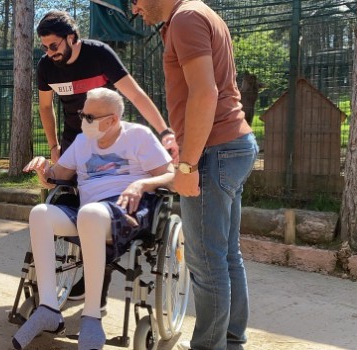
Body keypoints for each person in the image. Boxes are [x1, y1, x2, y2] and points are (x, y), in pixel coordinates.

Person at [132, 1, 259, 349]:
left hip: (213, 151)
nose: (134, 8)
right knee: (226, 255)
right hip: (232, 145)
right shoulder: (198, 13)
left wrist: (187, 165)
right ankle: (231, 340)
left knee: (205, 263)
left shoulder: (186, 18)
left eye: (136, 0)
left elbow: (205, 93)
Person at [35, 9, 179, 305]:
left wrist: (164, 131)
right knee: (67, 199)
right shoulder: (46, 67)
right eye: (44, 47)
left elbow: (136, 95)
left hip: (108, 134)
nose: (49, 53)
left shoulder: (99, 55)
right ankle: (70, 277)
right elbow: (45, 108)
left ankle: (95, 283)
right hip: (74, 140)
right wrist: (53, 148)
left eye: (54, 46)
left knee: (101, 208)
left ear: (71, 38)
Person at [14, 88, 174, 350]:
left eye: (89, 116)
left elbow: (172, 176)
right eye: (82, 114)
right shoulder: (81, 142)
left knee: (89, 214)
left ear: (111, 120)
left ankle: (92, 316)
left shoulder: (138, 136)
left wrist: (144, 184)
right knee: (40, 213)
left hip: (126, 211)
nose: (82, 120)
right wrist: (44, 168)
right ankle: (49, 308)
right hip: (88, 211)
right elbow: (57, 174)